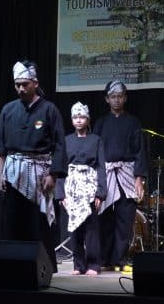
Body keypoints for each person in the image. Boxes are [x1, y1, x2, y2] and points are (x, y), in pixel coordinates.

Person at [0, 60, 67, 272]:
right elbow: (0, 146)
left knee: (39, 222)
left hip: (40, 172)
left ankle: (44, 267)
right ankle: (13, 265)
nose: (21, 89)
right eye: (17, 85)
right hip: (13, 172)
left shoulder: (49, 110)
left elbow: (60, 144)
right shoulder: (8, 110)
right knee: (13, 221)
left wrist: (53, 175)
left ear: (35, 83)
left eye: (24, 84)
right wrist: (1, 174)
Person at [93, 79, 147, 271]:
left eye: (120, 97)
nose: (116, 100)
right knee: (104, 218)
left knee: (125, 217)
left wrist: (139, 179)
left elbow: (140, 151)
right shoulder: (100, 123)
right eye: (113, 97)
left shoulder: (133, 122)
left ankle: (120, 260)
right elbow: (95, 151)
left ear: (125, 98)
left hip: (126, 172)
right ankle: (104, 259)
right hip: (106, 173)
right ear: (107, 99)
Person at [56, 102, 107, 276]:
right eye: (75, 117)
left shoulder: (96, 140)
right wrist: (60, 193)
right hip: (72, 186)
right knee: (75, 227)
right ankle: (78, 265)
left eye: (82, 116)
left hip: (89, 185)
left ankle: (93, 264)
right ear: (71, 119)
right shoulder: (66, 141)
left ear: (87, 119)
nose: (78, 120)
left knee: (91, 227)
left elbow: (101, 167)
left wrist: (101, 192)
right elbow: (60, 168)